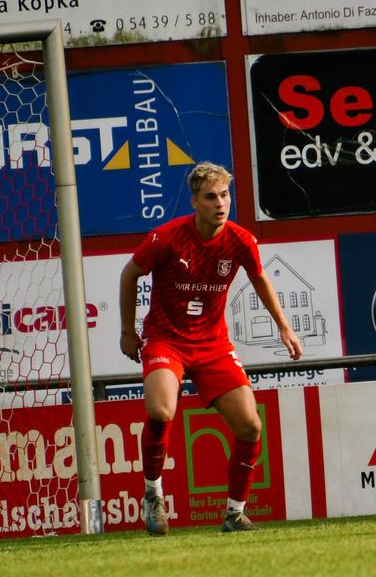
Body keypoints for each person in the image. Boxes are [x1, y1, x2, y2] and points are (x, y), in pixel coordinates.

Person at [120, 162, 304, 533]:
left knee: (250, 426)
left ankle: (234, 514)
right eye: (210, 197)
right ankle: (153, 495)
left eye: (224, 195)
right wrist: (127, 331)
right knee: (161, 410)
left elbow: (259, 278)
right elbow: (130, 274)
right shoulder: (167, 238)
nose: (220, 203)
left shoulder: (240, 240)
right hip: (166, 339)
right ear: (194, 202)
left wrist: (284, 327)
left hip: (213, 344)